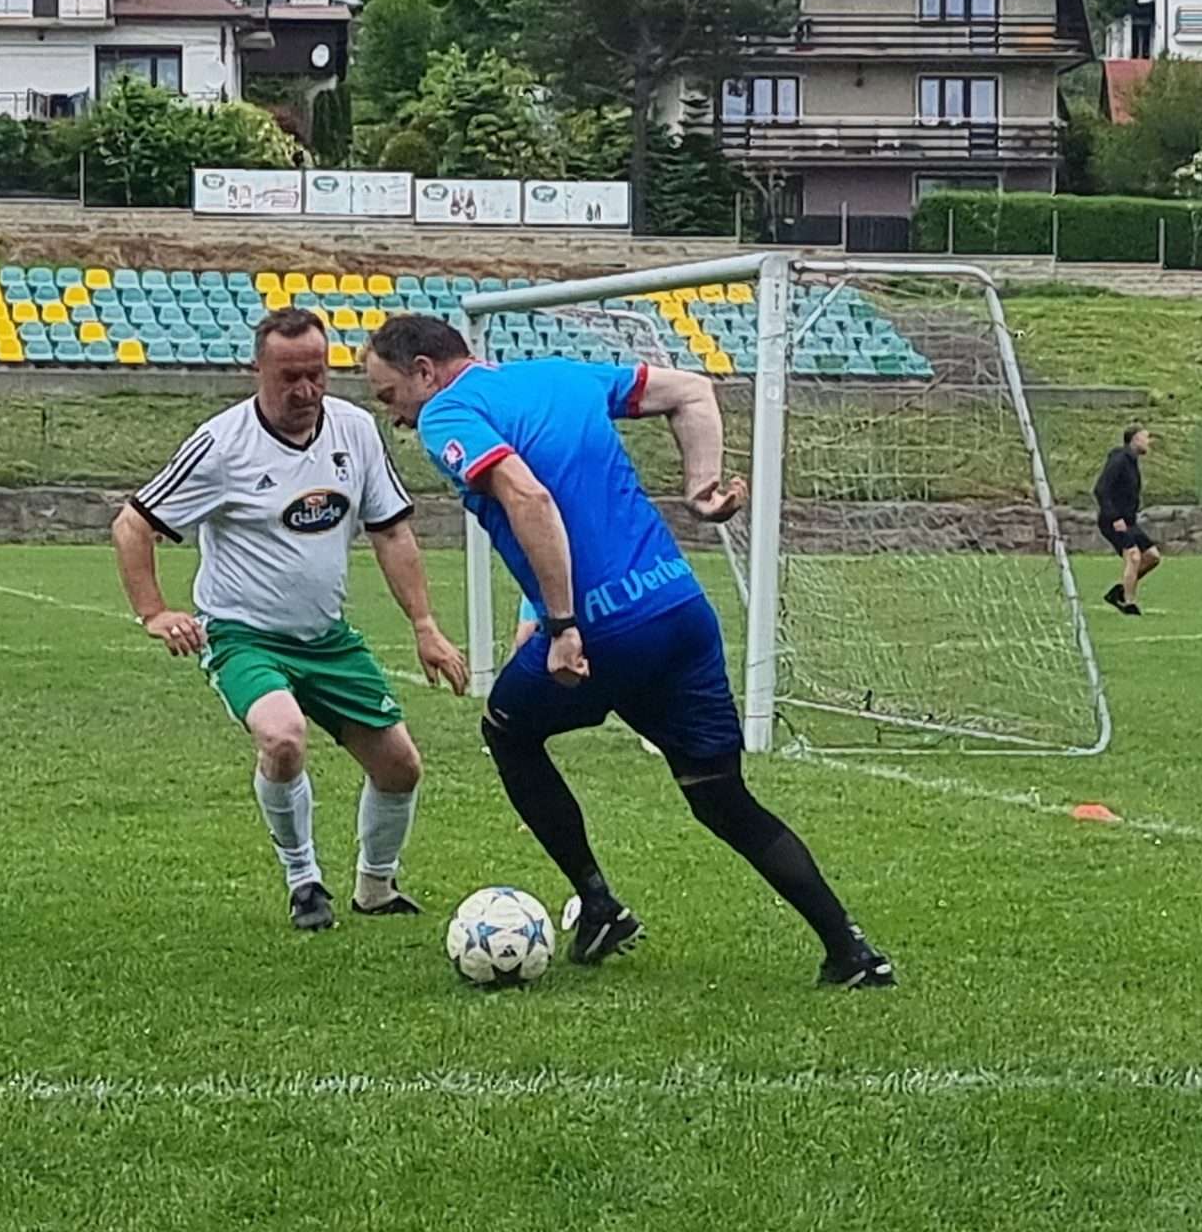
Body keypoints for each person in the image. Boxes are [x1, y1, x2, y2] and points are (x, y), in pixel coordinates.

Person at [362, 315, 894, 989]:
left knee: (508, 733)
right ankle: (851, 951)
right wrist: (701, 487)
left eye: (390, 396)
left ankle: (599, 903)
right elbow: (691, 389)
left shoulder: (448, 413)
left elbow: (530, 497)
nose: (397, 417)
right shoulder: (560, 374)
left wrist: (562, 624)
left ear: (425, 371)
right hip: (679, 607)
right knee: (720, 796)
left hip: (602, 629)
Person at [113, 308, 468, 933]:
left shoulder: (355, 431)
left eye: (316, 374)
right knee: (282, 738)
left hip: (326, 638)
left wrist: (424, 624)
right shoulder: (222, 445)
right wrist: (154, 611)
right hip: (242, 634)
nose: (306, 390)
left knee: (400, 767)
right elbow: (133, 523)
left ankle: (376, 888)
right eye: (289, 377)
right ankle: (304, 881)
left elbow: (391, 532)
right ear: (257, 370)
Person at [1094, 426, 1158, 617]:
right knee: (1134, 556)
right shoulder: (1119, 460)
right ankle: (1129, 602)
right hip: (1113, 520)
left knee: (1152, 556)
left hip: (1129, 521)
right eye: (1146, 438)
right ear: (1135, 440)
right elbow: (1100, 489)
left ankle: (1119, 591)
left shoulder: (1132, 461)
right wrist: (1114, 517)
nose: (1149, 442)